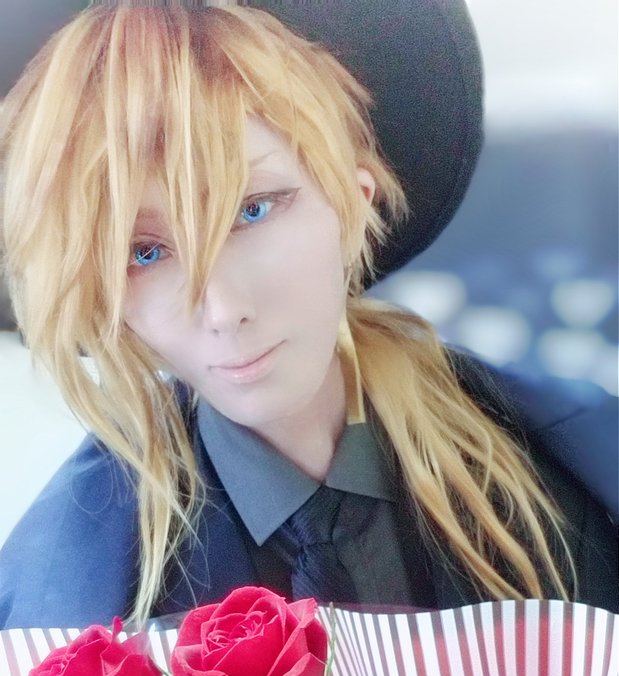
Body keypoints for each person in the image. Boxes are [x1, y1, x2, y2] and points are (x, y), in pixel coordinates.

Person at [0, 0, 616, 630]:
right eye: (144, 253)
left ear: (354, 199)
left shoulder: (579, 470)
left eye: (253, 210)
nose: (224, 309)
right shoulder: (64, 607)